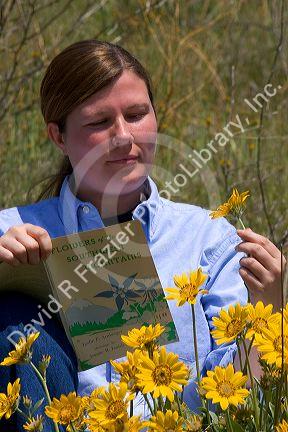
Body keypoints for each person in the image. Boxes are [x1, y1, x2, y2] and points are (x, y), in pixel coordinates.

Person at [0, 39, 285, 429]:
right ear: (58, 136)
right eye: (99, 122)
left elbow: (238, 396)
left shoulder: (207, 240)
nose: (123, 137)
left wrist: (270, 309)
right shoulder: (11, 230)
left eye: (136, 114)